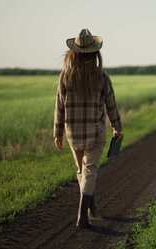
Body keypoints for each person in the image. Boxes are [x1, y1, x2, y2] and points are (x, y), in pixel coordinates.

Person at [53, 28, 123, 228]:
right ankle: (82, 216)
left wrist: (57, 133)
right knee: (90, 170)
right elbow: (111, 105)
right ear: (95, 53)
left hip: (72, 133)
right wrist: (117, 127)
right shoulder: (102, 77)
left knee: (81, 170)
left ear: (73, 53)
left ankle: (92, 209)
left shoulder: (65, 76)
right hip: (95, 132)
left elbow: (59, 106)